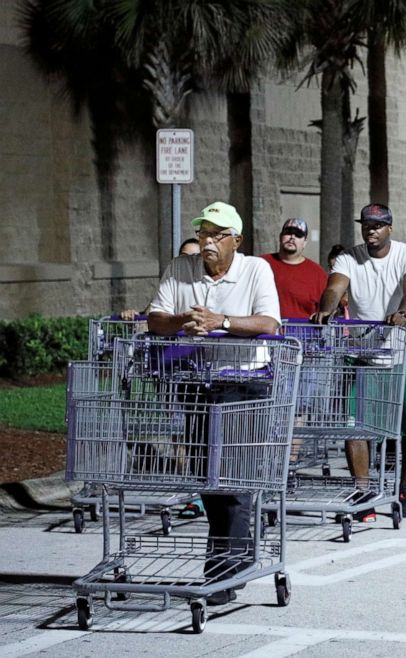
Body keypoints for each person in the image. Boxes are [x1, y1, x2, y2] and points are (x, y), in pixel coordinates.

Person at [147, 201, 281, 606]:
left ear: (236, 241)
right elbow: (156, 317)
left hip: (246, 384)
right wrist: (182, 322)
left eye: (216, 234)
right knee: (209, 478)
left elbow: (269, 323)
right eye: (204, 232)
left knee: (234, 479)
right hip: (200, 383)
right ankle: (236, 552)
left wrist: (220, 322)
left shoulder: (255, 269)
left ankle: (221, 572)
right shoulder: (180, 268)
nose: (207, 240)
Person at [313, 203, 406, 519]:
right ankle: (362, 493)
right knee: (355, 428)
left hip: (402, 355)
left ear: (390, 227)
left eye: (377, 225)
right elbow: (335, 287)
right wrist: (327, 309)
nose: (371, 230)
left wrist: (403, 312)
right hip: (361, 356)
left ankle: (404, 486)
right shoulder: (349, 257)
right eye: (366, 225)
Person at [260, 218, 327, 319]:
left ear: (304, 243)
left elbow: (325, 310)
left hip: (303, 332)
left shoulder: (318, 273)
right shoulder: (260, 264)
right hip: (265, 332)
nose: (292, 237)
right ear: (280, 236)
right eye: (288, 232)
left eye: (298, 235)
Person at [120, 239, 200, 321]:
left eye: (195, 256)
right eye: (184, 256)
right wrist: (134, 317)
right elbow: (147, 320)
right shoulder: (170, 284)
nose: (188, 262)